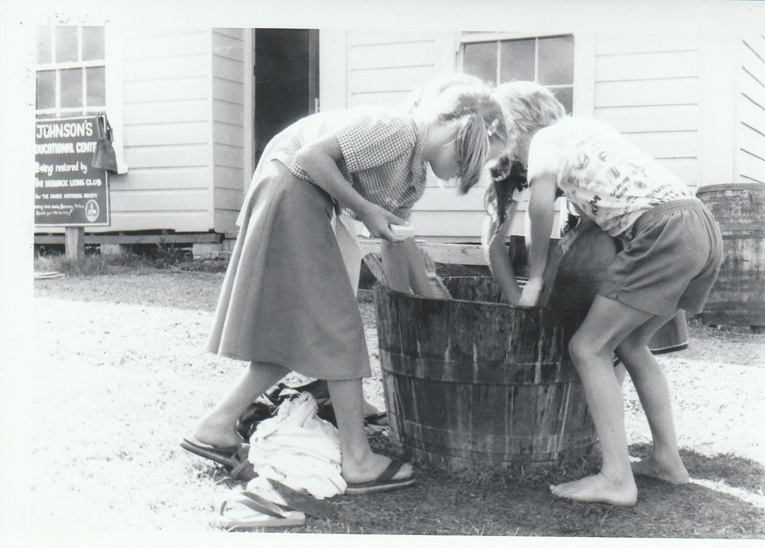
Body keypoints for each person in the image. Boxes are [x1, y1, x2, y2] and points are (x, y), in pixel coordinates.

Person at [181, 80, 506, 495]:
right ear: (459, 134)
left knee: (299, 334)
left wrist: (426, 301)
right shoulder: (398, 129)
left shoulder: (411, 175)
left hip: (298, 198)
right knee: (339, 330)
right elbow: (311, 156)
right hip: (293, 191)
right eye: (468, 161)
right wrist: (365, 207)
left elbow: (396, 240)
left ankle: (218, 424)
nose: (465, 175)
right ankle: (357, 459)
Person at [484, 81, 723, 506]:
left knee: (588, 347)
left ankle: (616, 478)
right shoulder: (591, 134)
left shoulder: (544, 140)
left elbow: (541, 206)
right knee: (631, 345)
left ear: (516, 127)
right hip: (700, 225)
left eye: (502, 139)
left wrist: (536, 277)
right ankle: (668, 460)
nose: (507, 154)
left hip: (661, 231)